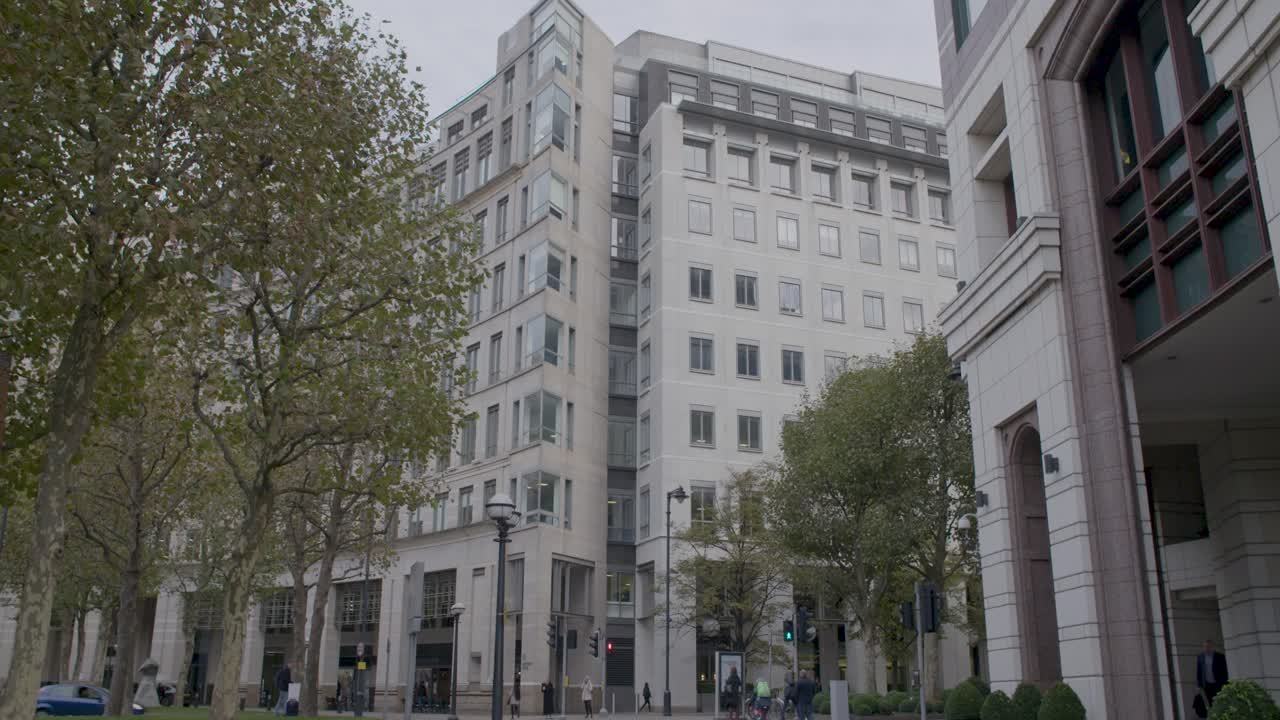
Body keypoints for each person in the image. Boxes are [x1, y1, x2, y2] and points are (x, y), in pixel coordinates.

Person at [1197, 639, 1229, 708]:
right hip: (1207, 684)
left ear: (1212, 647)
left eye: (1208, 646)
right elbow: (1199, 672)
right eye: (1205, 647)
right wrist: (1199, 685)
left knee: (1219, 701)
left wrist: (1224, 683)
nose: (1207, 648)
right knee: (1210, 702)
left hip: (1217, 683)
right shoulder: (1201, 657)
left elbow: (1224, 671)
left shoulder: (1220, 657)